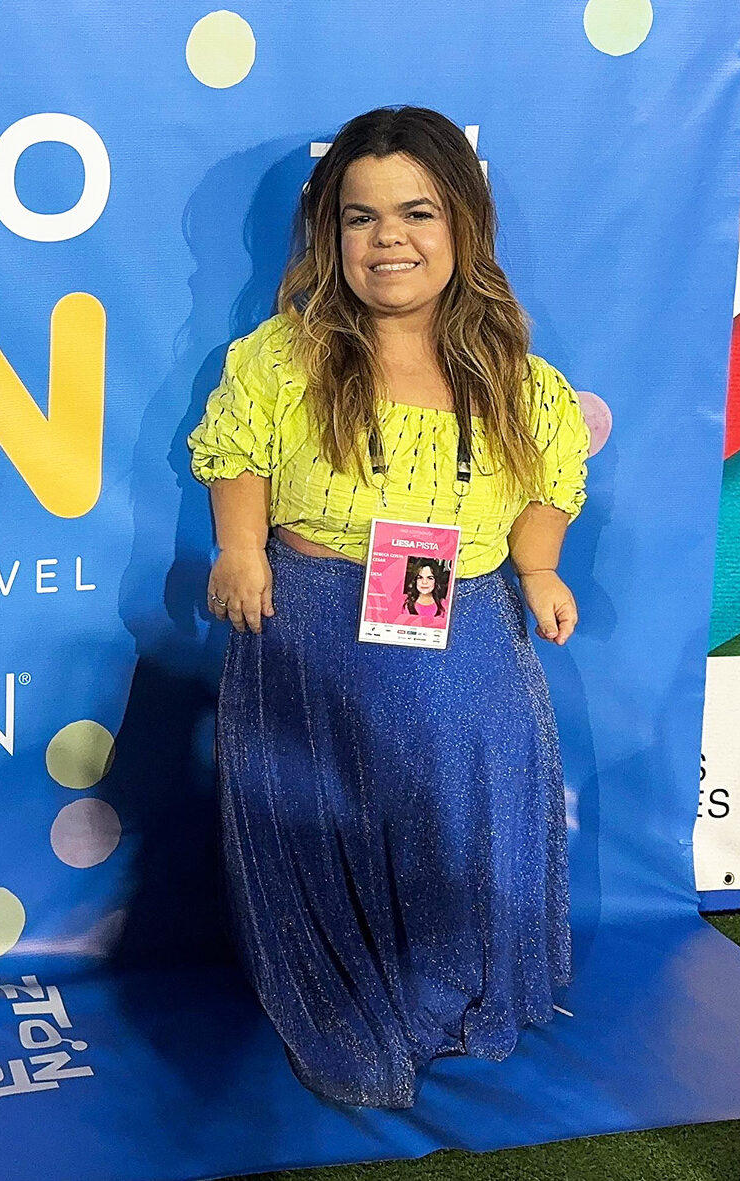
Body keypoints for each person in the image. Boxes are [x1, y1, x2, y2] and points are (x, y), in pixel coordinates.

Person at [186, 105, 589, 1108]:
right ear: (329, 236)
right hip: (311, 625)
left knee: (449, 810)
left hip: (466, 633)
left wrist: (538, 569)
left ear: (464, 228)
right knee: (330, 812)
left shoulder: (517, 377)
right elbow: (233, 452)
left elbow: (552, 477)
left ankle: (446, 989)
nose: (390, 239)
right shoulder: (282, 357)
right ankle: (350, 988)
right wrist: (240, 548)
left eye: (417, 212)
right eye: (360, 218)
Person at [396, 559, 449, 626]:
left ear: (436, 581)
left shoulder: (444, 605)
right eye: (420, 577)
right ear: (415, 580)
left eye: (430, 578)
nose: (424, 582)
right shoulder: (403, 601)